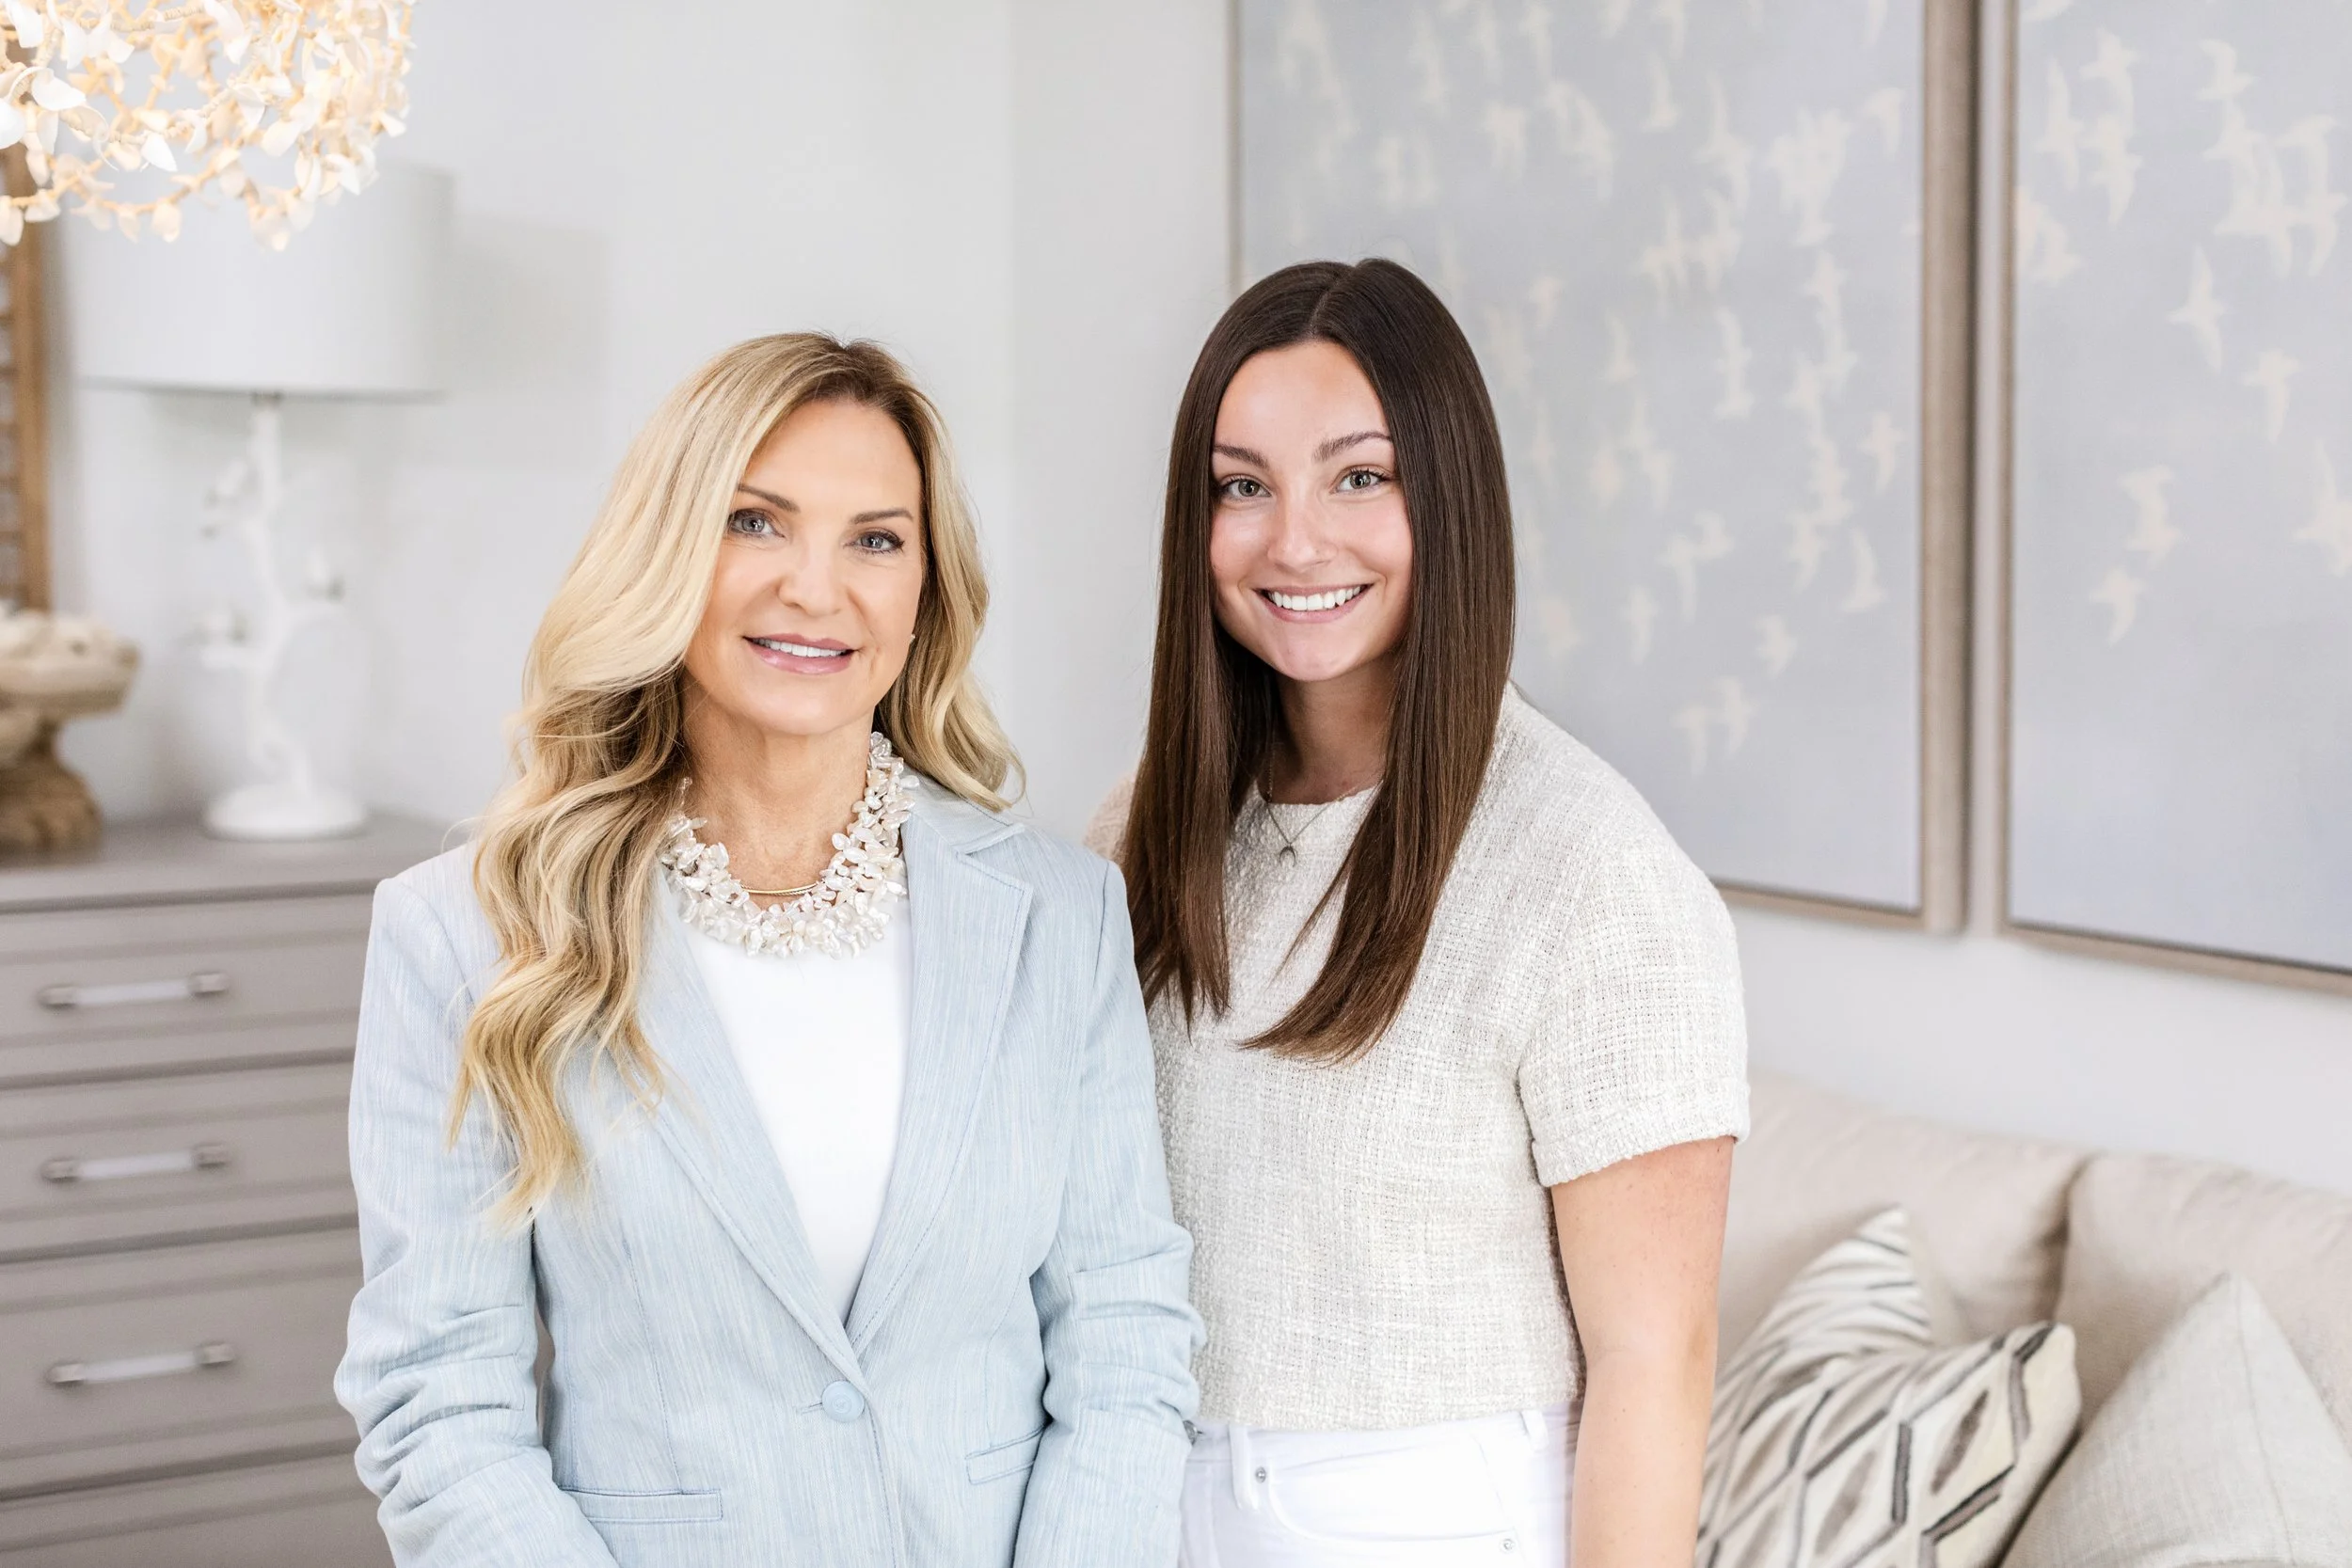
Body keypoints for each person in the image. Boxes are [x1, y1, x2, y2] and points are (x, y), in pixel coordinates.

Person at [339, 335, 1200, 1568]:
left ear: (926, 590)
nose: (816, 585)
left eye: (876, 538)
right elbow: (439, 1407)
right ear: (669, 551)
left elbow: (1126, 1334)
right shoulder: (464, 935)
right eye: (757, 522)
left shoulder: (1061, 917)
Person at [1088, 260, 1748, 1566]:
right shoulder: (1138, 832)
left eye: (1359, 476)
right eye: (1242, 485)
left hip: (1428, 1520)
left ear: (1448, 496)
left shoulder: (1588, 867)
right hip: (1149, 1498)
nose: (1295, 540)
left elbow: (1654, 1362)